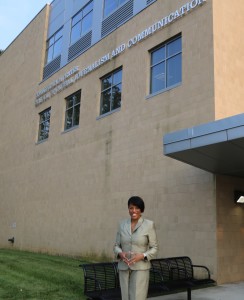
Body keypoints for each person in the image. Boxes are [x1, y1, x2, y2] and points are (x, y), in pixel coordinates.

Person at [113, 196, 158, 300]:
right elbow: (116, 246)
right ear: (128, 209)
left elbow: (154, 248)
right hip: (123, 267)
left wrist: (142, 255)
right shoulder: (122, 224)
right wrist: (120, 253)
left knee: (137, 297)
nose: (134, 211)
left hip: (140, 268)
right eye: (131, 208)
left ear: (141, 209)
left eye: (137, 208)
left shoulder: (149, 225)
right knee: (125, 297)